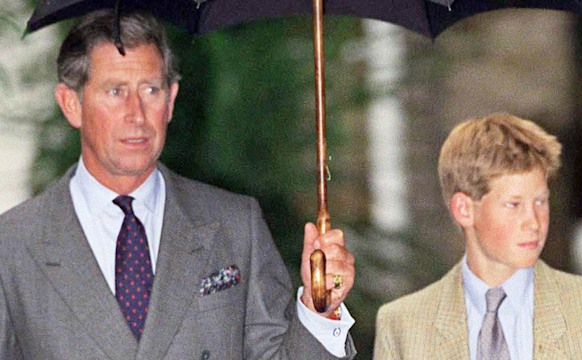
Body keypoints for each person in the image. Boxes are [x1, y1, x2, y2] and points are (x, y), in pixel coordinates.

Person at [0, 9, 356, 360]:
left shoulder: (235, 225)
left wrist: (318, 309)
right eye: (115, 91)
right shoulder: (13, 246)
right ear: (71, 104)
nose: (136, 114)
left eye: (150, 90)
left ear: (170, 100)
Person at [373, 113, 582, 359]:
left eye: (540, 202)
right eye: (514, 205)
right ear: (464, 209)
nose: (533, 222)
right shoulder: (402, 326)